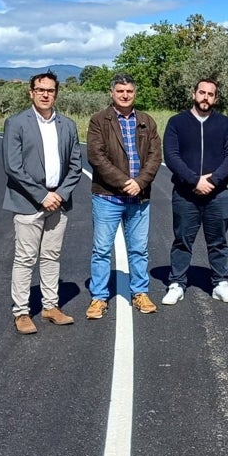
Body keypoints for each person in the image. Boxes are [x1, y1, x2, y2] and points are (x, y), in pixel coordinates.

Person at [2, 72, 82, 335]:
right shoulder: (16, 123)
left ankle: (50, 306)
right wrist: (42, 195)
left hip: (58, 202)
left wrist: (60, 194)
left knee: (51, 256)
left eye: (50, 90)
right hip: (28, 202)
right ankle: (22, 312)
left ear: (56, 93)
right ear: (31, 92)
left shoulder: (68, 125)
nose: (45, 94)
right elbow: (13, 167)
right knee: (25, 259)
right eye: (40, 90)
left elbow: (75, 165)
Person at [86, 73, 163, 319]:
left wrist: (139, 183)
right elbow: (96, 157)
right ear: (112, 93)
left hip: (139, 198)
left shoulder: (147, 121)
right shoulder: (99, 120)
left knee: (139, 250)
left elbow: (154, 156)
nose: (125, 95)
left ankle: (139, 292)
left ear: (134, 93)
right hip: (107, 197)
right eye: (120, 91)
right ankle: (99, 298)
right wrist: (124, 182)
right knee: (102, 250)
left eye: (129, 91)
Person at [161, 79, 228, 305]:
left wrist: (213, 180)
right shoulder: (176, 123)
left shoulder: (225, 124)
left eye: (211, 94)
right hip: (186, 194)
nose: (206, 97)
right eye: (202, 93)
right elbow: (172, 156)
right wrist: (195, 180)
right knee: (182, 240)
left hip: (218, 194)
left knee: (218, 241)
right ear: (194, 94)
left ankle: (220, 283)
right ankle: (176, 283)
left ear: (215, 98)